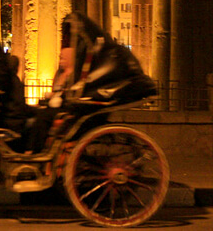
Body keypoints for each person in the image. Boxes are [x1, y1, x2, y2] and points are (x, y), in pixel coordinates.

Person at [25, 12, 157, 154]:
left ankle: (33, 152)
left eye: (64, 58)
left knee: (43, 117)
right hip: (71, 105)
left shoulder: (94, 65)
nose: (61, 61)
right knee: (38, 114)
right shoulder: (65, 73)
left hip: (79, 107)